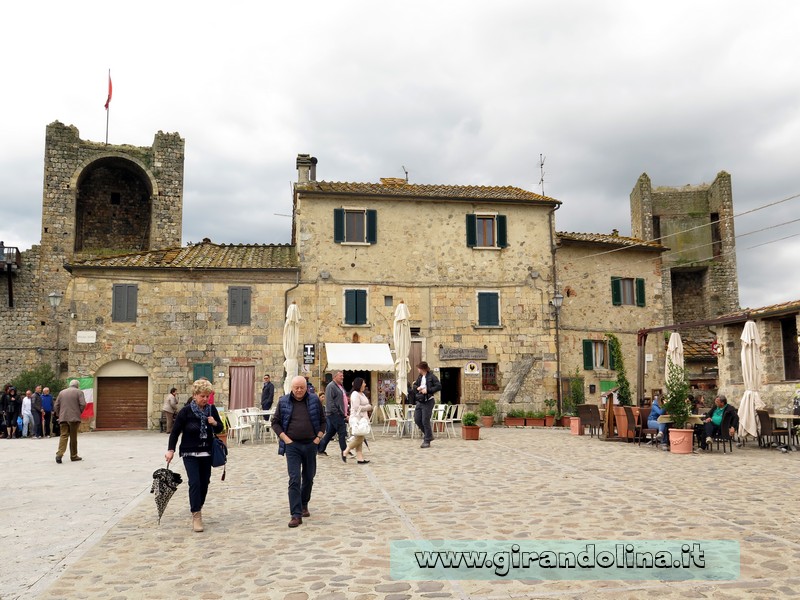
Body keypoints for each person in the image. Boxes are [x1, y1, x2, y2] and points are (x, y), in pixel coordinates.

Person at [165, 378, 224, 532]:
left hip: (206, 453)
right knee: (195, 482)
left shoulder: (212, 410)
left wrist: (214, 423)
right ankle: (196, 514)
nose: (205, 399)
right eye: (202, 396)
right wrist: (170, 450)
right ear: (195, 395)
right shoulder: (186, 411)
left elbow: (220, 429)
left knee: (205, 483)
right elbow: (175, 432)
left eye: (207, 396)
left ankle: (198, 505)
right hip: (189, 453)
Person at [271, 376, 326, 528]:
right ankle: (296, 514)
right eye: (296, 388)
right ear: (292, 388)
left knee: (309, 477)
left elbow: (323, 421)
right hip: (292, 446)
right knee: (294, 478)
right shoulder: (284, 402)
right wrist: (285, 439)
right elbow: (275, 423)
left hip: (310, 444)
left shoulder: (314, 400)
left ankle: (304, 503)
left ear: (306, 387)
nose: (299, 390)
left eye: (302, 387)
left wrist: (318, 439)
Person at [53, 380, 87, 462]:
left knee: (63, 436)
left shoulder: (62, 392)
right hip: (74, 418)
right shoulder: (79, 392)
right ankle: (74, 455)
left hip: (63, 417)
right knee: (73, 437)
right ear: (77, 385)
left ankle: (59, 454)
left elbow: (56, 405)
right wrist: (79, 412)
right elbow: (83, 404)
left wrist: (58, 415)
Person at [342, 377, 373, 464]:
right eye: (363, 383)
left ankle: (360, 458)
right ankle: (346, 451)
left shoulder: (362, 394)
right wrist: (367, 407)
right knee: (360, 438)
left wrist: (367, 406)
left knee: (359, 437)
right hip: (357, 419)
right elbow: (356, 407)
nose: (365, 384)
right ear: (359, 384)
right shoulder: (355, 394)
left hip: (362, 418)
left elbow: (366, 405)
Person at [318, 371, 348, 458]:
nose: (342, 377)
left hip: (339, 413)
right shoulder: (331, 386)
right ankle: (345, 451)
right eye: (340, 376)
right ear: (335, 376)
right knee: (342, 431)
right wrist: (337, 412)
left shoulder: (340, 386)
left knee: (330, 432)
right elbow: (330, 401)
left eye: (343, 376)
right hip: (334, 413)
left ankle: (320, 449)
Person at [412, 361, 441, 448]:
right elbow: (414, 385)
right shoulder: (420, 377)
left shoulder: (432, 376)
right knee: (417, 419)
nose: (417, 369)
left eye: (418, 368)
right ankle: (429, 435)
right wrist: (417, 388)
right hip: (420, 401)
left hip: (428, 401)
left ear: (422, 369)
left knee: (425, 420)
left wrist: (428, 390)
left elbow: (439, 386)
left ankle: (427, 440)